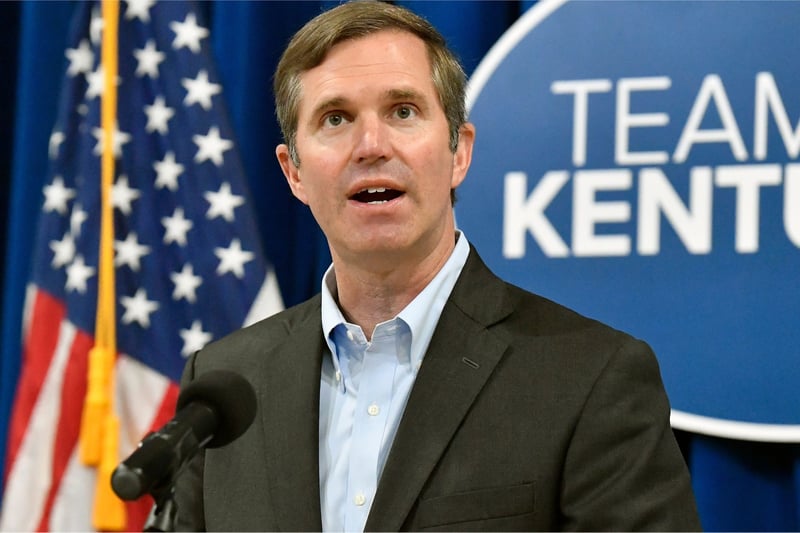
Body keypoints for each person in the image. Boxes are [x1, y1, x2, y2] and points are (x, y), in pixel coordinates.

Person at [173, 1, 702, 531]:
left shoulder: (591, 377)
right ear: (294, 173)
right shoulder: (224, 386)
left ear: (459, 153)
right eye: (336, 119)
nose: (372, 146)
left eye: (403, 111)